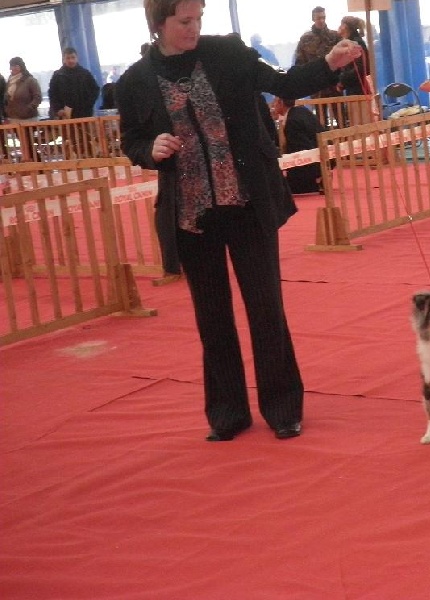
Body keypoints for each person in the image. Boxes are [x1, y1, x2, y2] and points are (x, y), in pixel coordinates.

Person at [115, 0, 362, 442]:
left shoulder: (228, 51)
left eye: (199, 19)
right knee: (212, 320)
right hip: (191, 216)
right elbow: (131, 138)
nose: (195, 28)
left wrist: (328, 63)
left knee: (266, 309)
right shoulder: (134, 81)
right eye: (185, 21)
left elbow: (282, 83)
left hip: (247, 203)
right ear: (159, 23)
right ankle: (228, 413)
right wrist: (147, 149)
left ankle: (283, 407)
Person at [273, 96, 326, 194]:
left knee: (279, 188)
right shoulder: (301, 110)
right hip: (324, 158)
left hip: (310, 167)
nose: (273, 105)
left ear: (281, 102)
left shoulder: (292, 121)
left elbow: (301, 150)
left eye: (275, 102)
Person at [48, 47, 101, 119]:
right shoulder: (57, 76)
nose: (71, 60)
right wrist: (58, 109)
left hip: (85, 114)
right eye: (68, 58)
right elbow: (52, 95)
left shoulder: (85, 74)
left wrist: (88, 105)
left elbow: (95, 90)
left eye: (73, 57)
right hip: (65, 116)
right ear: (64, 59)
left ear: (77, 58)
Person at [336, 15, 370, 95]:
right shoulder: (352, 42)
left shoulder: (355, 43)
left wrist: (342, 81)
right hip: (354, 87)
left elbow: (359, 68)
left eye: (341, 24)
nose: (339, 27)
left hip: (359, 90)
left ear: (345, 27)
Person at [5, 57, 42, 122]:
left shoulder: (30, 80)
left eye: (16, 66)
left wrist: (28, 109)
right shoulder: (9, 81)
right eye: (12, 66)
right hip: (12, 118)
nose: (14, 68)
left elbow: (38, 97)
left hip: (28, 118)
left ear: (21, 66)